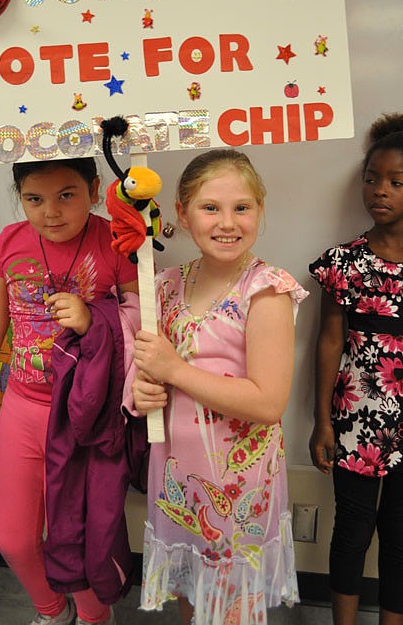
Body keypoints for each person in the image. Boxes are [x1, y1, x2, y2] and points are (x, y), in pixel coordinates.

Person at [130, 148, 307, 625]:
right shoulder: (164, 286)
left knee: (230, 608)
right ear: (183, 214)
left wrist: (174, 371)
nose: (227, 222)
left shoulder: (265, 291)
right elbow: (148, 370)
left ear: (259, 211)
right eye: (210, 207)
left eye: (241, 207)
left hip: (236, 488)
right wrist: (142, 391)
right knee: (194, 596)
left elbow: (268, 403)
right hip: (178, 480)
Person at [0, 157, 139, 625]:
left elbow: (143, 323)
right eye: (34, 199)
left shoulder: (115, 241)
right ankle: (52, 611)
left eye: (66, 196)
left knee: (77, 537)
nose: (50, 212)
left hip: (85, 415)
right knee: (14, 539)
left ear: (94, 190)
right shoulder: (10, 241)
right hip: (22, 406)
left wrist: (91, 318)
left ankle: (95, 617)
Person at [308, 111, 403, 625]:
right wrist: (322, 422)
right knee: (352, 529)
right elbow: (329, 341)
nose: (380, 191)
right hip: (356, 417)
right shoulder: (344, 263)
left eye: (397, 181)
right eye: (372, 179)